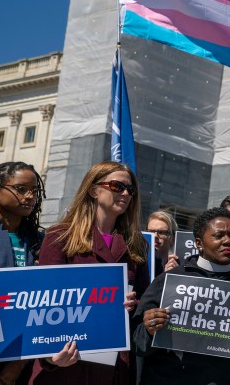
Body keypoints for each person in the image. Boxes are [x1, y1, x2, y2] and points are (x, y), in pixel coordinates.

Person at [30, 161, 150, 385]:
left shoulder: (138, 245)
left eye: (130, 189)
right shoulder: (59, 236)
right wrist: (49, 356)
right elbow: (44, 302)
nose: (125, 193)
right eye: (117, 186)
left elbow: (144, 305)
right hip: (67, 362)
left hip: (115, 365)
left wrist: (134, 304)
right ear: (94, 190)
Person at [134, 207, 230, 384]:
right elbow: (138, 343)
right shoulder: (168, 281)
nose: (228, 241)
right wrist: (149, 329)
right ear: (199, 243)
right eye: (219, 235)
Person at [0, 162, 45, 385]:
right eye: (20, 189)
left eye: (34, 191)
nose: (29, 196)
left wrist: (17, 367)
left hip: (22, 358)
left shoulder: (41, 242)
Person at [146, 210, 178, 275]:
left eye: (161, 232)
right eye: (151, 232)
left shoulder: (177, 267)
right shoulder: (136, 265)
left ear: (172, 239)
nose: (155, 236)